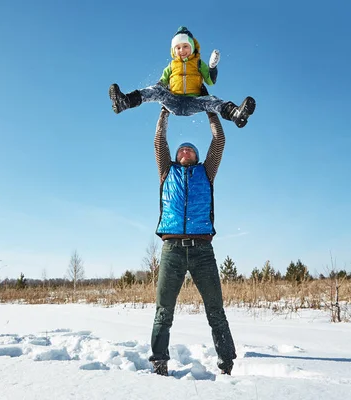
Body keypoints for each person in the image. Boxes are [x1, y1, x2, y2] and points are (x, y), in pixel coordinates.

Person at [148, 107, 237, 376]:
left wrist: (212, 113)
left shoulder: (206, 173)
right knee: (164, 310)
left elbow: (219, 140)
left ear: (197, 157)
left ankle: (226, 361)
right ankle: (160, 361)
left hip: (202, 252)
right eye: (181, 150)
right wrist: (164, 113)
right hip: (172, 250)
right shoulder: (167, 172)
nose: (185, 151)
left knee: (215, 309)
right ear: (175, 157)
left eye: (190, 150)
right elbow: (159, 141)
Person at [109, 26, 256, 128]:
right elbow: (161, 84)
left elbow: (210, 81)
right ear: (174, 51)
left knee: (211, 100)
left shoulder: (198, 63)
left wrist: (212, 68)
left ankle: (235, 114)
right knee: (157, 91)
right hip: (173, 101)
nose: (182, 50)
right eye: (178, 48)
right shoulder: (171, 66)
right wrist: (160, 97)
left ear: (192, 47)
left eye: (185, 46)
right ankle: (125, 102)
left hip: (193, 102)